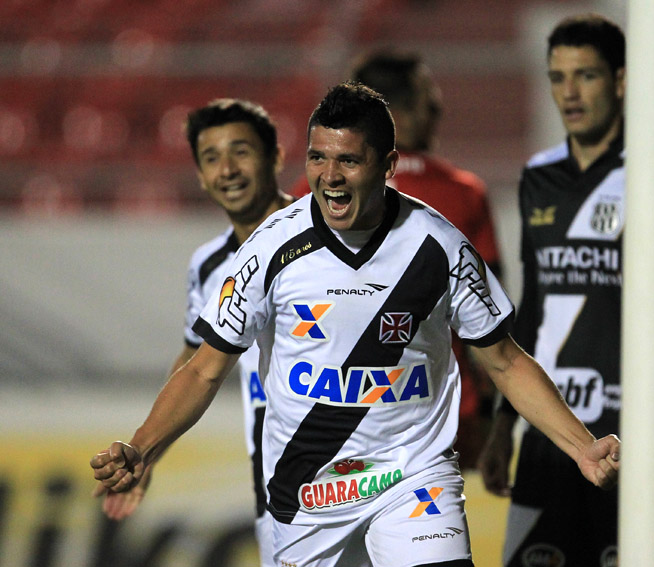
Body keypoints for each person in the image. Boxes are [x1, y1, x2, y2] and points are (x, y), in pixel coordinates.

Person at [91, 82, 621, 567]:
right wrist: (142, 446)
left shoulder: (439, 246)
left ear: (388, 164)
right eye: (317, 157)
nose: (330, 176)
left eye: (348, 159)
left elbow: (504, 362)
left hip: (411, 476)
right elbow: (204, 369)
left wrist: (581, 446)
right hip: (307, 490)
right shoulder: (270, 248)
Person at [476, 13, 654, 567]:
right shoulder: (538, 175)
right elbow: (533, 306)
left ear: (621, 80)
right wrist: (503, 424)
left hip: (632, 437)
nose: (569, 92)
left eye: (585, 75)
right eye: (557, 77)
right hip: (549, 434)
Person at [92, 98, 293, 567]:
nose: (228, 169)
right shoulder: (208, 265)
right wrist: (148, 453)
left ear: (276, 157)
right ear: (200, 176)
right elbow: (193, 363)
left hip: (363, 461)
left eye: (241, 151)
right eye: (211, 158)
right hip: (277, 476)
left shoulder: (327, 237)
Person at [289, 49, 502, 469]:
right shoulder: (464, 193)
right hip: (441, 411)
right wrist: (493, 416)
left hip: (330, 409)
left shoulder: (311, 191)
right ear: (394, 115)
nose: (438, 113)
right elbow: (489, 320)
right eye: (427, 104)